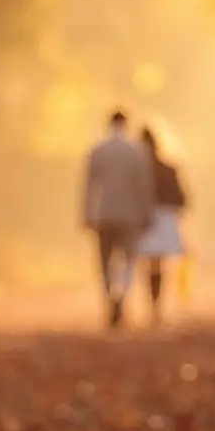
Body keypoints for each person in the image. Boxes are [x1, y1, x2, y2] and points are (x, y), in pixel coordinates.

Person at [81, 110, 156, 329]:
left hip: (103, 213)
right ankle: (121, 296)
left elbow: (88, 186)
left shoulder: (97, 150)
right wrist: (147, 212)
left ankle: (109, 298)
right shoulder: (136, 151)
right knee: (128, 261)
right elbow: (144, 186)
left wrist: (86, 214)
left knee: (105, 262)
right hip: (130, 214)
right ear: (126, 124)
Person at [137, 127, 189, 323]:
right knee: (158, 264)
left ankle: (153, 304)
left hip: (145, 220)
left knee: (149, 264)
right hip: (163, 221)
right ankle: (156, 306)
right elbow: (182, 199)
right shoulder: (168, 168)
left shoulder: (138, 171)